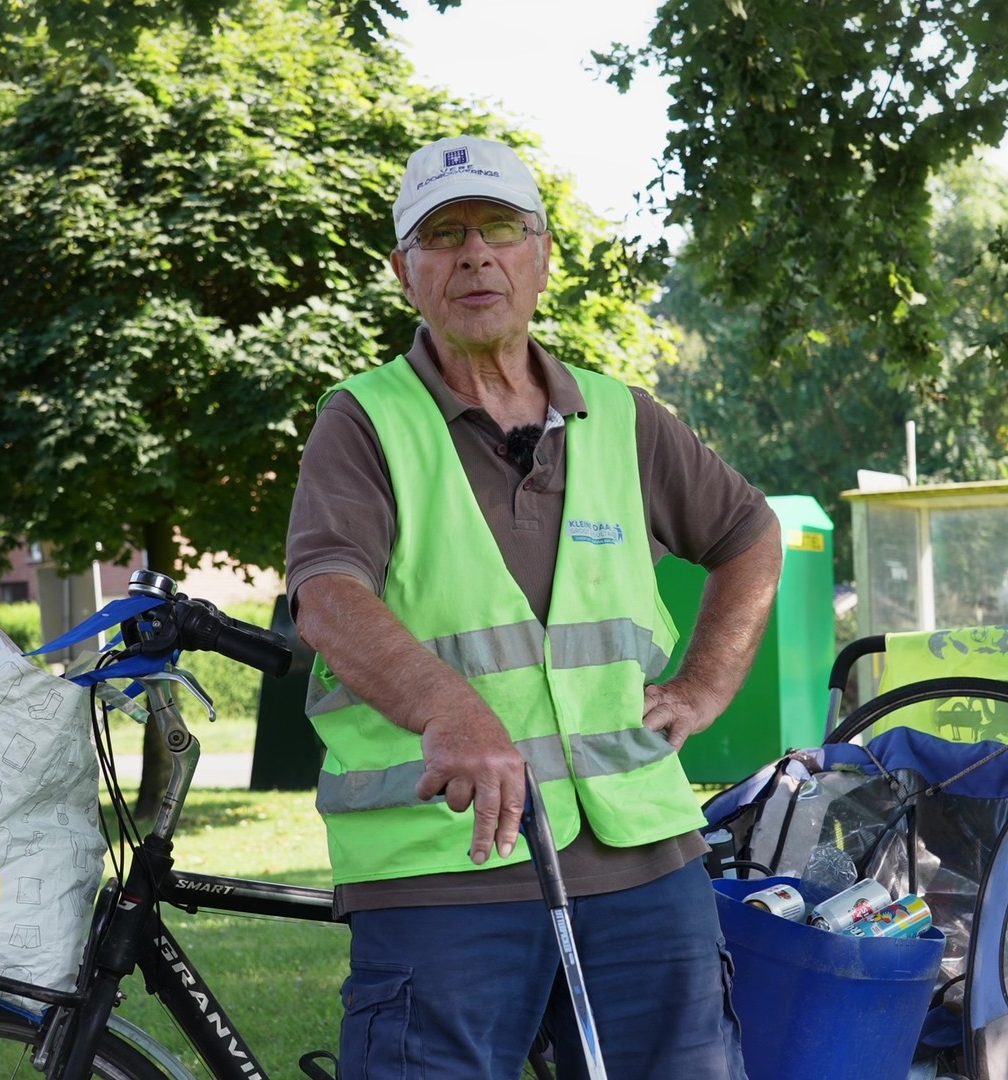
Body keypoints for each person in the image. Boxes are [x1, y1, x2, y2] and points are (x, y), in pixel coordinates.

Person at [286, 134, 782, 1079]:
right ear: (406, 271)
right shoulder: (363, 420)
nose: (476, 253)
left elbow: (751, 536)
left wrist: (708, 683)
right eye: (443, 234)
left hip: (644, 861)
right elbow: (328, 596)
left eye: (501, 227)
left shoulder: (620, 415)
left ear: (543, 254)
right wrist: (448, 707)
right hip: (443, 872)